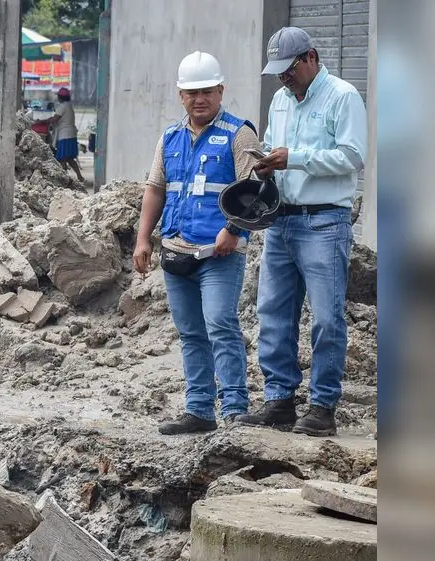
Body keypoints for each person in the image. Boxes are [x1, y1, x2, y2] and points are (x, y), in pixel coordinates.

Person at [235, 28, 367, 437]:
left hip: (324, 222)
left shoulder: (342, 96)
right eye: (277, 73)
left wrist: (295, 158)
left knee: (326, 318)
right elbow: (276, 144)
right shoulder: (279, 100)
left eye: (289, 70)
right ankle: (279, 400)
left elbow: (352, 157)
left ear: (310, 57)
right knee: (273, 313)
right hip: (282, 219)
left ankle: (323, 406)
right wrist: (267, 162)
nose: (283, 79)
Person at [132, 51, 261, 435]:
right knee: (191, 333)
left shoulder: (239, 134)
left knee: (220, 323)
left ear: (221, 91)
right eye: (191, 93)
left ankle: (236, 408)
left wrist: (233, 230)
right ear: (180, 95)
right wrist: (143, 239)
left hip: (220, 253)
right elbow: (155, 189)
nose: (199, 99)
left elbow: (254, 191)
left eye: (207, 91)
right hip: (177, 252)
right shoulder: (170, 138)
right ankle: (200, 410)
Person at [46, 87, 84, 183]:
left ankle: (64, 179)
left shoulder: (62, 107)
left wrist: (42, 121)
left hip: (65, 135)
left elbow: (55, 119)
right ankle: (79, 177)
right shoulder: (68, 106)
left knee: (62, 158)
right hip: (71, 134)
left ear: (60, 97)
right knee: (70, 158)